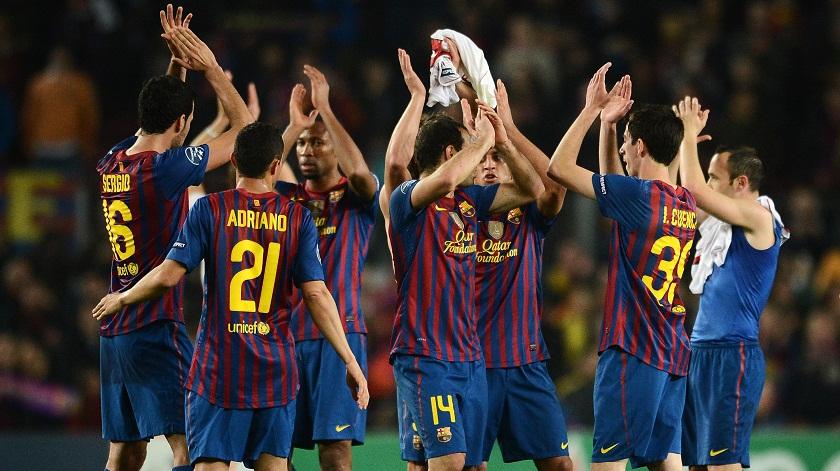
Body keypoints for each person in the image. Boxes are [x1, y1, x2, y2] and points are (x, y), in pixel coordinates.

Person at [93, 122, 369, 471]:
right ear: (275, 166)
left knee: (208, 465)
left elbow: (168, 276)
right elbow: (316, 293)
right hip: (274, 371)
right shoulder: (296, 217)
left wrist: (122, 297)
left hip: (218, 369)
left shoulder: (210, 209)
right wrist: (349, 360)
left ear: (234, 160)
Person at [94, 8, 252, 470]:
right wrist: (211, 68)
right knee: (190, 442)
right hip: (154, 325)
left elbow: (163, 116)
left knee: (125, 452)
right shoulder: (165, 171)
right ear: (183, 123)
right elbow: (246, 133)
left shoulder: (113, 160)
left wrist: (177, 64)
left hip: (115, 331)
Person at [387, 61, 544, 470]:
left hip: (469, 356)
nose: (482, 163)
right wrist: (481, 137)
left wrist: (504, 142)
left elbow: (533, 188)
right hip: (425, 353)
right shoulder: (407, 200)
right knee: (448, 460)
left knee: (472, 463)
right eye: (472, 153)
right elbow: (436, 179)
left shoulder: (470, 202)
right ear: (451, 153)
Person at [547, 63, 696, 471]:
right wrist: (611, 128)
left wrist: (591, 111)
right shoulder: (683, 202)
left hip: (634, 348)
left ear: (641, 146)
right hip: (672, 352)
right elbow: (614, 184)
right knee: (665, 463)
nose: (625, 152)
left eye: (628, 143)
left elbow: (558, 168)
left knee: (608, 465)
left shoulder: (637, 196)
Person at [274, 65, 379, 470]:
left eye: (317, 143)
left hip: (340, 336)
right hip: (285, 336)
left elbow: (360, 173)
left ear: (335, 148)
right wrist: (294, 127)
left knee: (334, 452)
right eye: (302, 146)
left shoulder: (355, 199)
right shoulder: (286, 200)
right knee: (274, 451)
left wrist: (326, 111)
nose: (306, 151)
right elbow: (253, 172)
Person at [675, 97, 786, 471]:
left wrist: (688, 135)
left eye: (714, 178)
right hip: (700, 354)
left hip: (733, 354)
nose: (707, 184)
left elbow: (693, 190)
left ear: (741, 183)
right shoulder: (721, 224)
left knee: (724, 466)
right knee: (698, 466)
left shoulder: (759, 218)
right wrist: (681, 150)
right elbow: (685, 201)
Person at [470, 81, 572, 471]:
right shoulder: (457, 212)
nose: (490, 166)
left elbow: (555, 185)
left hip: (526, 362)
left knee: (560, 465)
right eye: (483, 159)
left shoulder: (528, 214)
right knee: (471, 466)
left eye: (497, 158)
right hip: (473, 363)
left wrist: (508, 132)